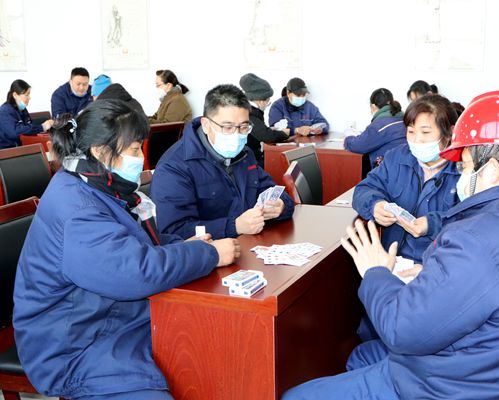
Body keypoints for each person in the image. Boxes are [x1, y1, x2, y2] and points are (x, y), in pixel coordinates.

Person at [283, 90, 499, 400]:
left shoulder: (477, 239)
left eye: (465, 166)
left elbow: (400, 330)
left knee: (296, 396)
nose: (460, 175)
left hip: (448, 385)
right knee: (362, 355)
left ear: (491, 171)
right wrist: (436, 275)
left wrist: (376, 271)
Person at [12, 99, 240, 400]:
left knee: (216, 346)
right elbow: (134, 272)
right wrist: (209, 255)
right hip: (75, 347)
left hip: (112, 319)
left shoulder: (96, 186)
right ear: (100, 152)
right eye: (134, 150)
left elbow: (136, 244)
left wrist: (183, 247)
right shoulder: (77, 209)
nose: (141, 158)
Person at [151, 84, 295, 240]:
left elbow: (271, 189)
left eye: (244, 127)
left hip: (250, 243)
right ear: (206, 125)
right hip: (212, 252)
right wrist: (234, 226)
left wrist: (281, 206)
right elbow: (175, 231)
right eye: (228, 127)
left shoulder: (244, 154)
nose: (237, 135)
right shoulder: (174, 167)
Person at [352, 94, 460, 264]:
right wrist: (375, 205)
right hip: (392, 259)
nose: (416, 139)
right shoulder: (396, 157)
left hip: (437, 266)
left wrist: (432, 224)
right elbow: (364, 189)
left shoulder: (464, 169)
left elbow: (473, 221)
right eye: (411, 131)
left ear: (449, 132)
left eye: (425, 132)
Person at [344, 88, 406, 168]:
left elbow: (358, 146)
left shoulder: (379, 125)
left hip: (388, 170)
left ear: (373, 106)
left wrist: (348, 137)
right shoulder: (404, 119)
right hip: (404, 166)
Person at [239, 73, 289, 167]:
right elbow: (266, 136)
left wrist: (269, 129)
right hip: (247, 160)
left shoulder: (250, 110)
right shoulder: (248, 113)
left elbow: (259, 130)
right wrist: (285, 133)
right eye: (267, 101)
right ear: (260, 101)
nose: (267, 104)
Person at [0, 79, 53, 149]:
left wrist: (46, 126)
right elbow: (15, 133)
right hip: (6, 150)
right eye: (27, 95)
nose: (29, 97)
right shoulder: (5, 111)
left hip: (21, 147)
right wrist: (42, 127)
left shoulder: (22, 109)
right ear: (15, 95)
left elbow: (30, 126)